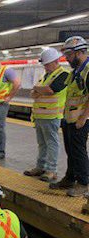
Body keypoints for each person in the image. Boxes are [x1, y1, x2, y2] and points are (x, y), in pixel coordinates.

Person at [50, 36, 89, 197]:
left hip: (80, 119)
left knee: (78, 151)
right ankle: (70, 178)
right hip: (70, 119)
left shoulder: (88, 70)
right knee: (71, 150)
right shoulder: (76, 71)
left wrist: (83, 118)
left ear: (80, 52)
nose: (67, 58)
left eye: (69, 55)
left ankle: (83, 183)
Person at [25, 48, 68, 183]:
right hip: (40, 116)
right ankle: (40, 167)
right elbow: (33, 94)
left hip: (52, 116)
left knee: (52, 143)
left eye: (47, 64)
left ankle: (52, 170)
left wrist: (38, 89)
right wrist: (39, 89)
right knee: (42, 144)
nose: (45, 67)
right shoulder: (45, 76)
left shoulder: (63, 75)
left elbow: (50, 90)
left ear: (56, 61)